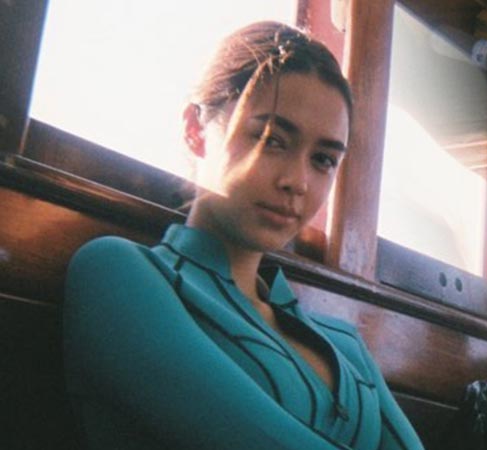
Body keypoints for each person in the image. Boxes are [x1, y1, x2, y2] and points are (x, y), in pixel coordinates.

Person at [63, 22, 424, 449]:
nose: (297, 181)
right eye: (272, 140)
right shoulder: (117, 274)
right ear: (195, 130)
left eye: (323, 160)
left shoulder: (346, 344)